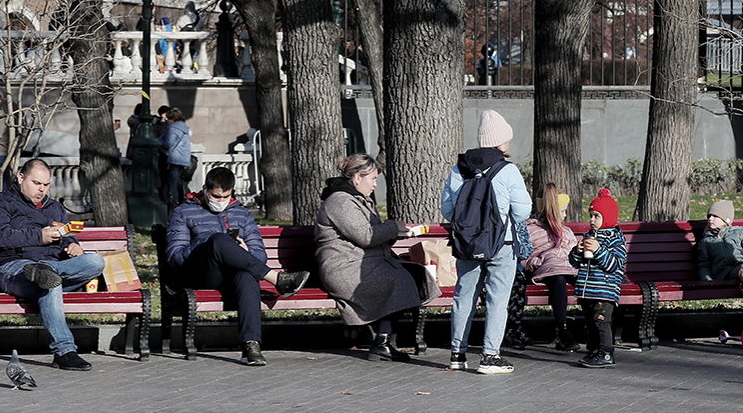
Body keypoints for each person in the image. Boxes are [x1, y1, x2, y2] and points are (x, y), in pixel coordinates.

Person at [165, 167, 310, 366]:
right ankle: (276, 279)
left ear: (232, 191)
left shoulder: (242, 214)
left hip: (231, 275)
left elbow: (259, 254)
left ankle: (251, 345)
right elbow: (175, 257)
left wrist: (244, 252)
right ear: (205, 189)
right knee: (219, 240)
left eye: (226, 196)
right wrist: (210, 245)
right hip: (199, 273)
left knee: (247, 275)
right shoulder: (183, 211)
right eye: (216, 196)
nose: (220, 201)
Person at [0, 158, 106, 372]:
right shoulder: (0, 202)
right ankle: (65, 351)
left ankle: (46, 273)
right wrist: (39, 236)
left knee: (95, 261)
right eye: (36, 183)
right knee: (49, 282)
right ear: (21, 177)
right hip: (11, 267)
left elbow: (64, 234)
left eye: (46, 185)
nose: (41, 189)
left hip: (51, 265)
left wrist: (72, 245)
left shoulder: (54, 208)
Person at [315, 154, 436, 362]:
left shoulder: (360, 200)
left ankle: (383, 341)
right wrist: (392, 226)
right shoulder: (340, 201)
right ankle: (382, 342)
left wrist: (396, 234)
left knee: (412, 276)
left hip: (363, 263)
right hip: (344, 269)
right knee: (400, 279)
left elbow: (372, 237)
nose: (375, 184)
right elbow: (366, 236)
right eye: (372, 178)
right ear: (357, 178)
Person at [440, 110, 531, 375]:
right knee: (497, 300)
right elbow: (523, 212)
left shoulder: (460, 168)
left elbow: (448, 210)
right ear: (502, 141)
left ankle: (457, 354)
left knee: (463, 297)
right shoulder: (508, 170)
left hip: (467, 245)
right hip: (501, 244)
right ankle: (490, 357)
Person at [504, 183, 580, 352]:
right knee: (558, 277)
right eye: (562, 211)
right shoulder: (531, 230)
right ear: (552, 212)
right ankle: (562, 330)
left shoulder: (565, 232)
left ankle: (597, 331)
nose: (566, 214)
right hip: (544, 272)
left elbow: (575, 254)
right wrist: (531, 263)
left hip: (568, 269)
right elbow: (522, 255)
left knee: (589, 283)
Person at [569, 188, 627, 368]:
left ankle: (606, 352)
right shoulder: (589, 235)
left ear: (607, 218)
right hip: (587, 288)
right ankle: (593, 350)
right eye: (591, 215)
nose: (592, 220)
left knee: (601, 320)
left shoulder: (615, 239)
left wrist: (598, 250)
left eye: (597, 216)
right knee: (590, 322)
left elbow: (615, 264)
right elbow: (575, 262)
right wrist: (577, 252)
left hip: (604, 289)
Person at [160, 108, 192, 212]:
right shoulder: (184, 128)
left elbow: (168, 144)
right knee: (179, 184)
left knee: (172, 185)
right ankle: (182, 203)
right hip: (184, 160)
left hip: (174, 159)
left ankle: (174, 207)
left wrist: (157, 140)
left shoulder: (173, 128)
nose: (166, 121)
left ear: (172, 119)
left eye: (168, 118)